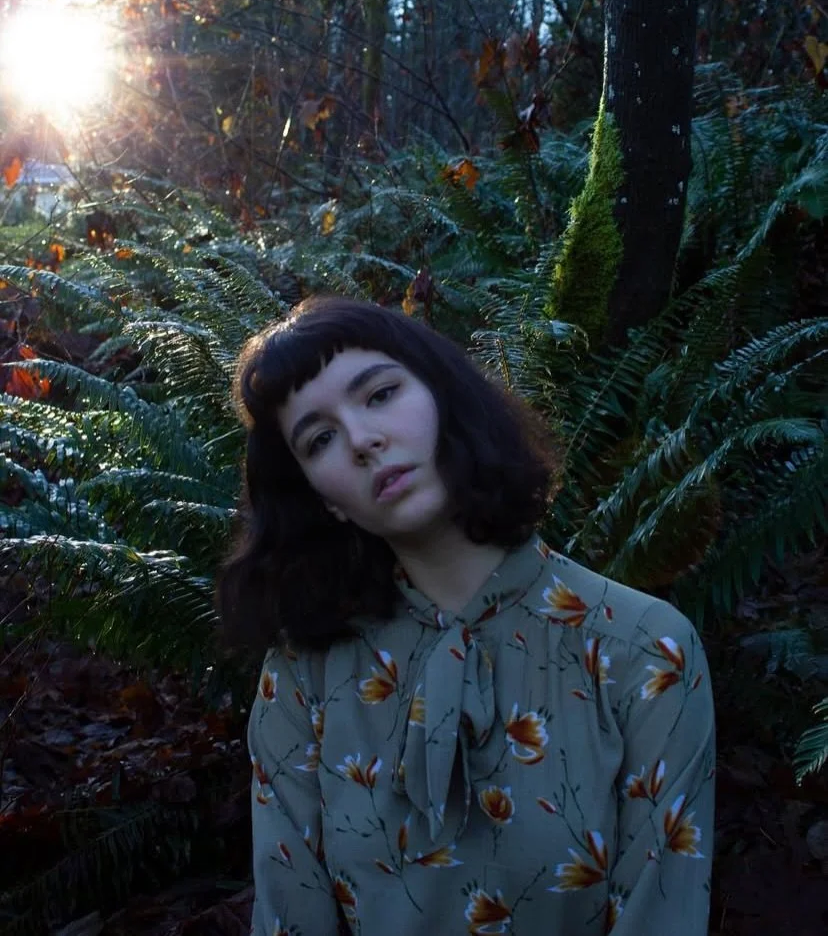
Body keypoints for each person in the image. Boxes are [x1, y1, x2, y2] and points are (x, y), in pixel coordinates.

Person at [217, 294, 715, 936]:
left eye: (379, 395)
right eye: (320, 439)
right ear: (322, 498)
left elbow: (661, 915)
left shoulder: (644, 652)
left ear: (443, 396)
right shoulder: (303, 678)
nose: (363, 441)